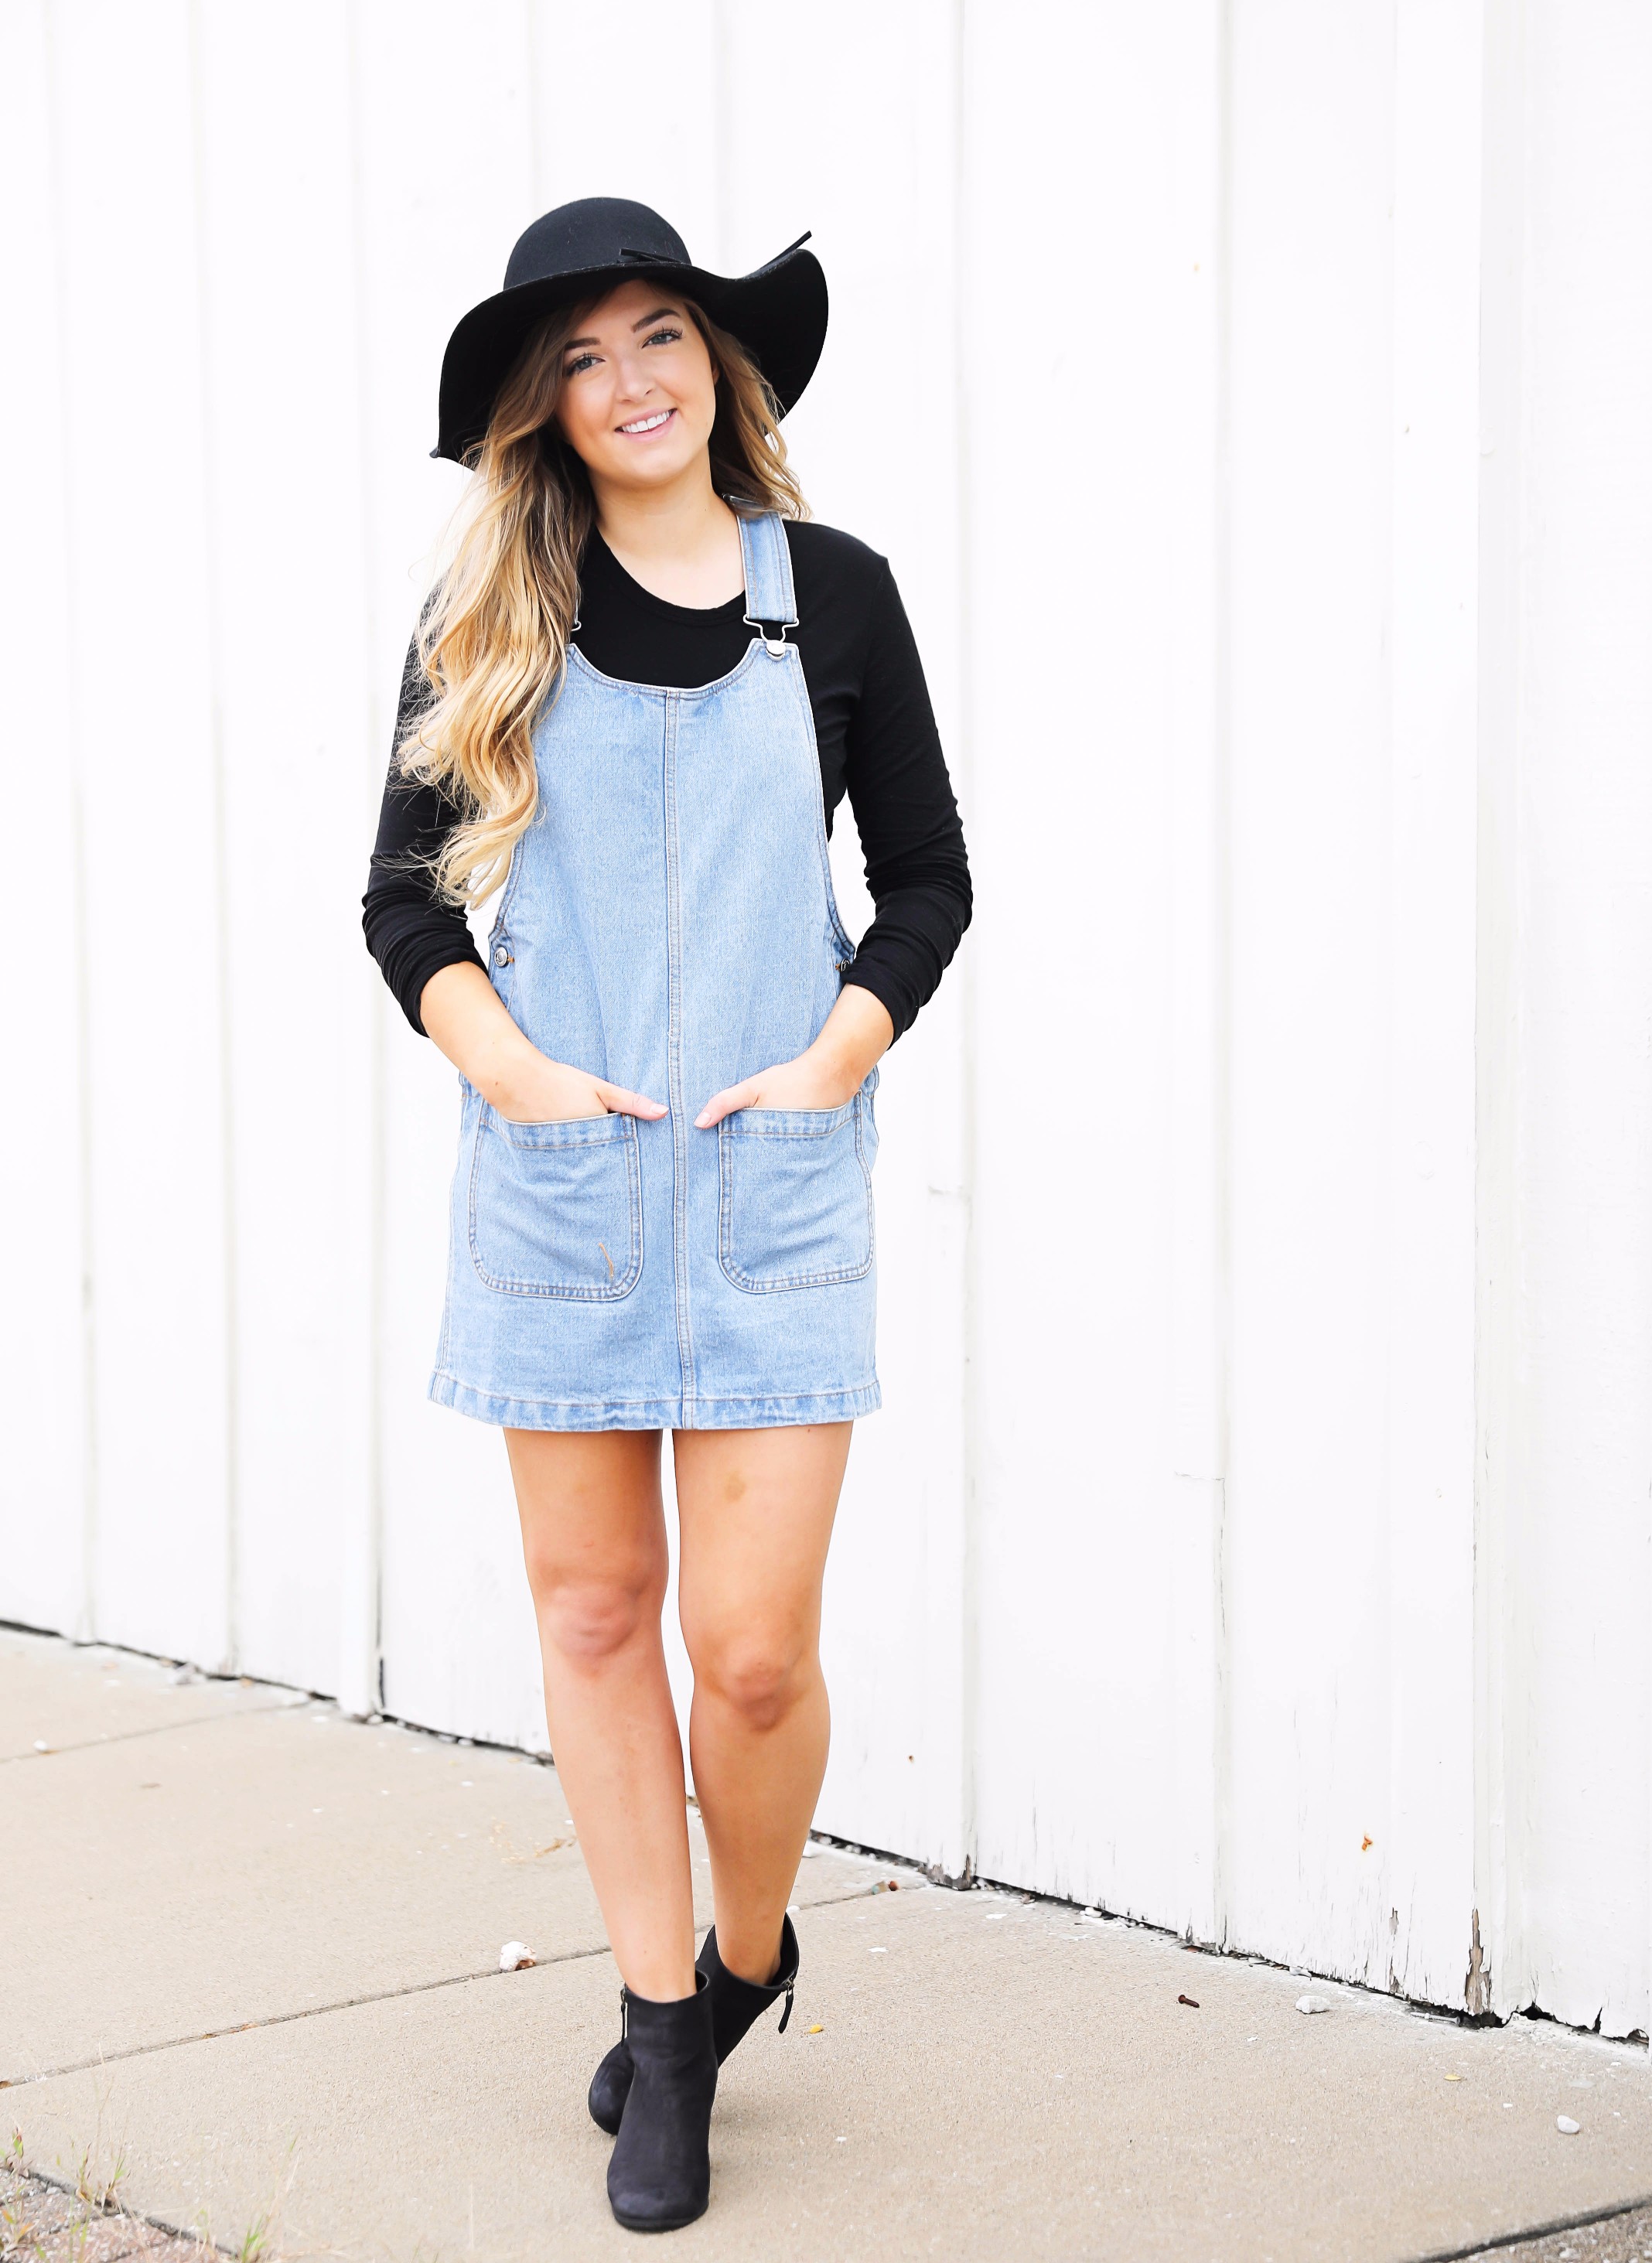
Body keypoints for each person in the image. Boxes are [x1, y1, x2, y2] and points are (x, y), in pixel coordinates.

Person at [363, 197, 970, 2231]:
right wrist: (512, 1066)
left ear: (721, 364)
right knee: (602, 1620)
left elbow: (926, 887)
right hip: (562, 1194)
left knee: (755, 1657)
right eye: (583, 360)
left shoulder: (841, 601)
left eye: (660, 341)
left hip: (776, 1196)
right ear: (545, 408)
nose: (627, 384)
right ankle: (656, 2035)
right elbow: (405, 907)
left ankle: (736, 1963)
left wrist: (840, 1054)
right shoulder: (487, 624)